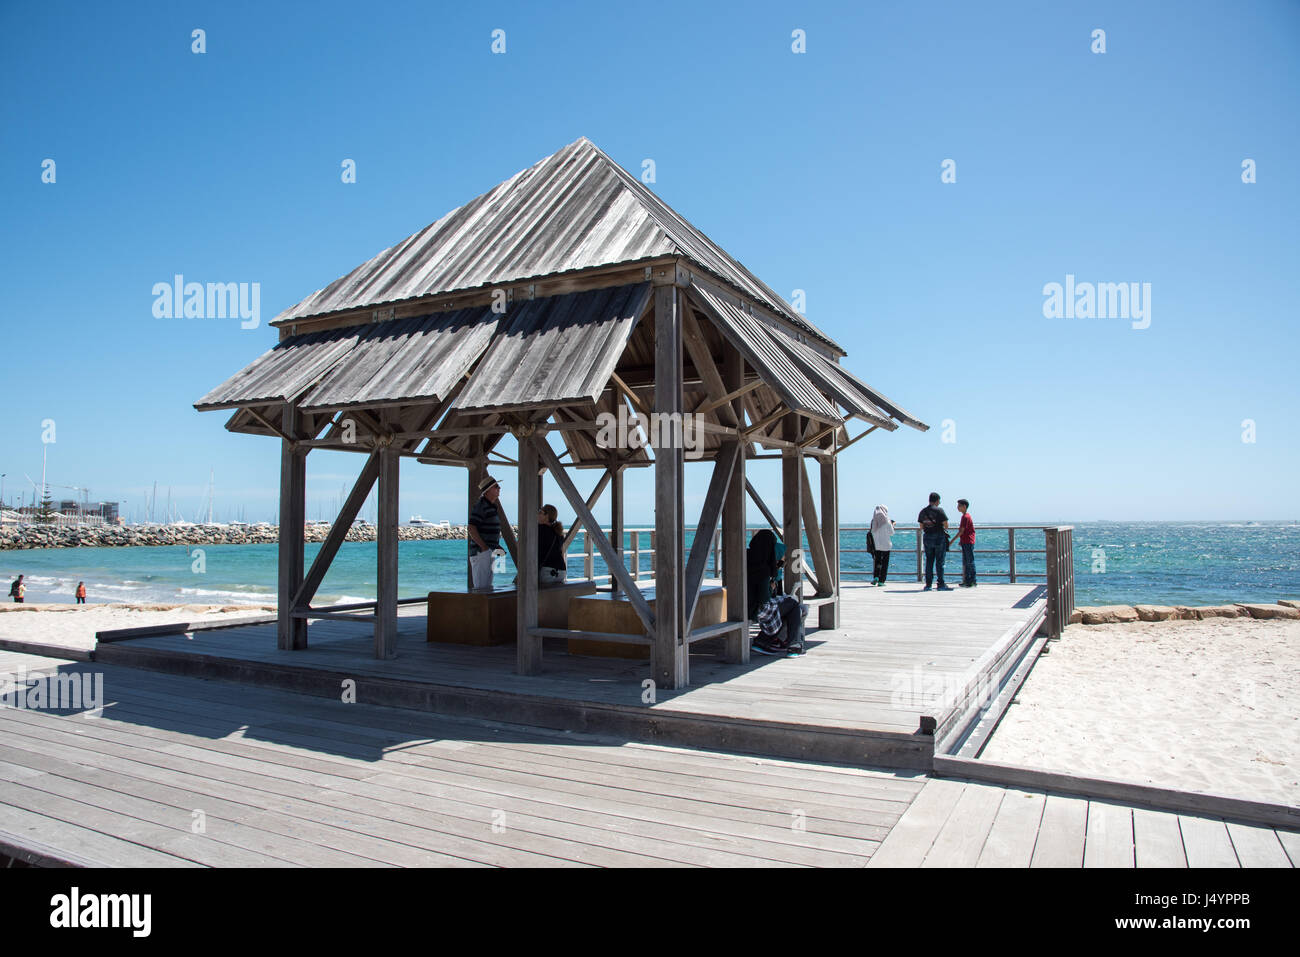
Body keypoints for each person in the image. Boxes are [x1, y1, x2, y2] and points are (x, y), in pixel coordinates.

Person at [468, 475, 505, 590]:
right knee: (481, 587)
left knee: (487, 587)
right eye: (496, 487)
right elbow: (471, 527)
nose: (499, 489)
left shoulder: (491, 506)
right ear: (488, 490)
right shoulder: (481, 506)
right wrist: (483, 547)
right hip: (481, 552)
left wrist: (496, 546)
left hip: (489, 551)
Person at [753, 593, 808, 657]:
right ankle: (794, 646)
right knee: (794, 605)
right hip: (757, 608)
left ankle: (764, 640)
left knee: (790, 606)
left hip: (750, 606)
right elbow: (764, 596)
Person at [917, 492, 951, 591]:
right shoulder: (939, 510)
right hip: (938, 537)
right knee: (940, 561)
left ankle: (928, 584)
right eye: (939, 501)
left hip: (927, 537)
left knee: (929, 561)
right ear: (936, 500)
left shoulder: (923, 511)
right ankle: (940, 584)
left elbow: (921, 526)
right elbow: (946, 525)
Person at [746, 529, 778, 618]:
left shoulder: (745, 556)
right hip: (754, 611)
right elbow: (764, 599)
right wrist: (771, 588)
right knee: (794, 606)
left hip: (738, 606)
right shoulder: (764, 569)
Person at [537, 505, 567, 584]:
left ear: (546, 516)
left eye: (540, 512)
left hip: (547, 571)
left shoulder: (540, 529)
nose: (538, 514)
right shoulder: (558, 533)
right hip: (561, 571)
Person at [869, 505, 896, 585]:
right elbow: (891, 533)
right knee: (885, 563)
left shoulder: (874, 521)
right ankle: (881, 581)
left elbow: (872, 531)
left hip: (877, 545)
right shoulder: (887, 521)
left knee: (877, 561)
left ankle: (876, 576)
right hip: (886, 545)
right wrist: (893, 525)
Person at [952, 499, 976, 587]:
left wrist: (952, 541)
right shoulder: (965, 516)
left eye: (959, 506)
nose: (957, 508)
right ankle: (967, 580)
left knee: (969, 561)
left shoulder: (965, 517)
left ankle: (972, 581)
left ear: (964, 506)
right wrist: (961, 540)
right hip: (966, 541)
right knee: (966, 561)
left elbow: (961, 531)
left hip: (968, 541)